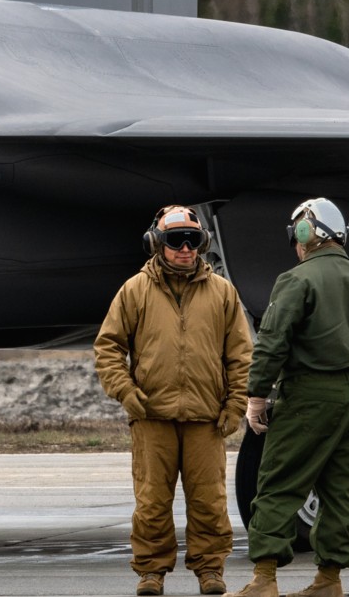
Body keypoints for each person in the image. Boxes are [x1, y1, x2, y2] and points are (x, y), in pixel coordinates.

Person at [95, 205, 254, 597]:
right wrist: (126, 393)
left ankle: (210, 570)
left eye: (192, 241)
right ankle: (151, 572)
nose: (185, 249)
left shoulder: (222, 294)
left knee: (209, 501)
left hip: (206, 418)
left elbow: (240, 355)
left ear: (202, 245)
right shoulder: (134, 291)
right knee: (151, 501)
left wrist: (235, 406)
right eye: (175, 241)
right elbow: (108, 348)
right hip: (151, 418)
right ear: (157, 244)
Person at [235, 198, 349, 597]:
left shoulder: (296, 280)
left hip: (308, 393)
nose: (294, 243)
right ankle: (328, 580)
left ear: (307, 232)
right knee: (340, 488)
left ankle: (264, 579)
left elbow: (271, 343)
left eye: (295, 234)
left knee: (279, 481)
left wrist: (256, 395)